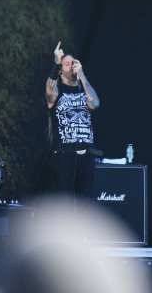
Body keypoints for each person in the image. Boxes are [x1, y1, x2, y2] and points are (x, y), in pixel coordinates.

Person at [45, 41, 100, 197]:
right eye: (67, 64)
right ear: (60, 71)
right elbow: (49, 91)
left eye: (73, 63)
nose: (71, 66)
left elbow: (95, 103)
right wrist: (56, 63)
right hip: (64, 155)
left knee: (85, 202)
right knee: (65, 202)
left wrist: (81, 75)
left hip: (86, 155)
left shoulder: (83, 89)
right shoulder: (58, 90)